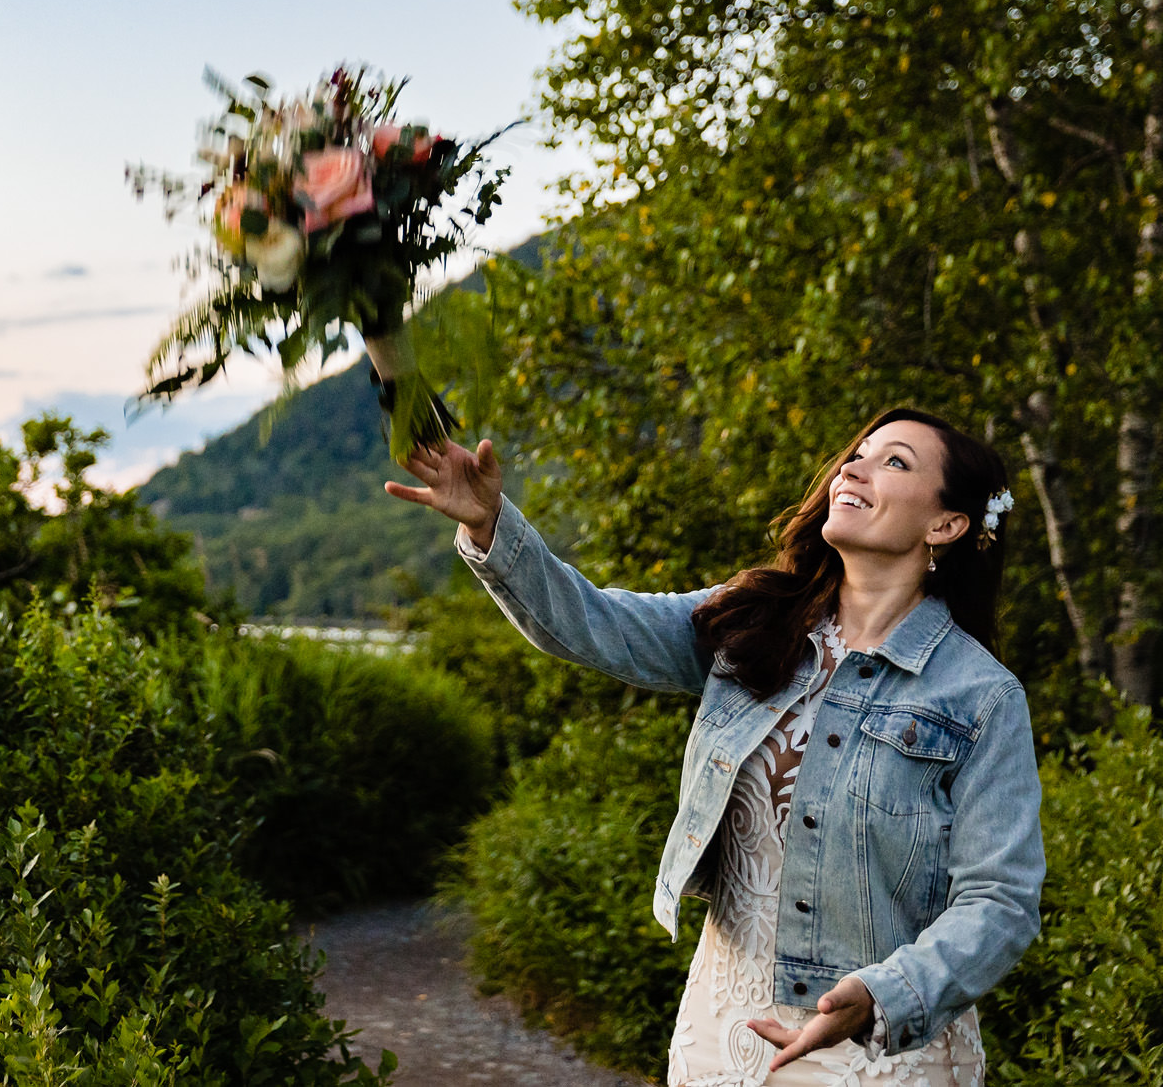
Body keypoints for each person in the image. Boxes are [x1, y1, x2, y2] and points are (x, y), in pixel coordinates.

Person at [387, 407, 1043, 1086]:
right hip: (719, 1037)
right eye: (859, 452)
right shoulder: (756, 625)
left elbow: (1001, 900)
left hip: (881, 1052)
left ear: (946, 524)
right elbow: (595, 624)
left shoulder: (980, 696)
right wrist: (490, 525)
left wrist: (885, 994)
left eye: (895, 461)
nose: (854, 466)